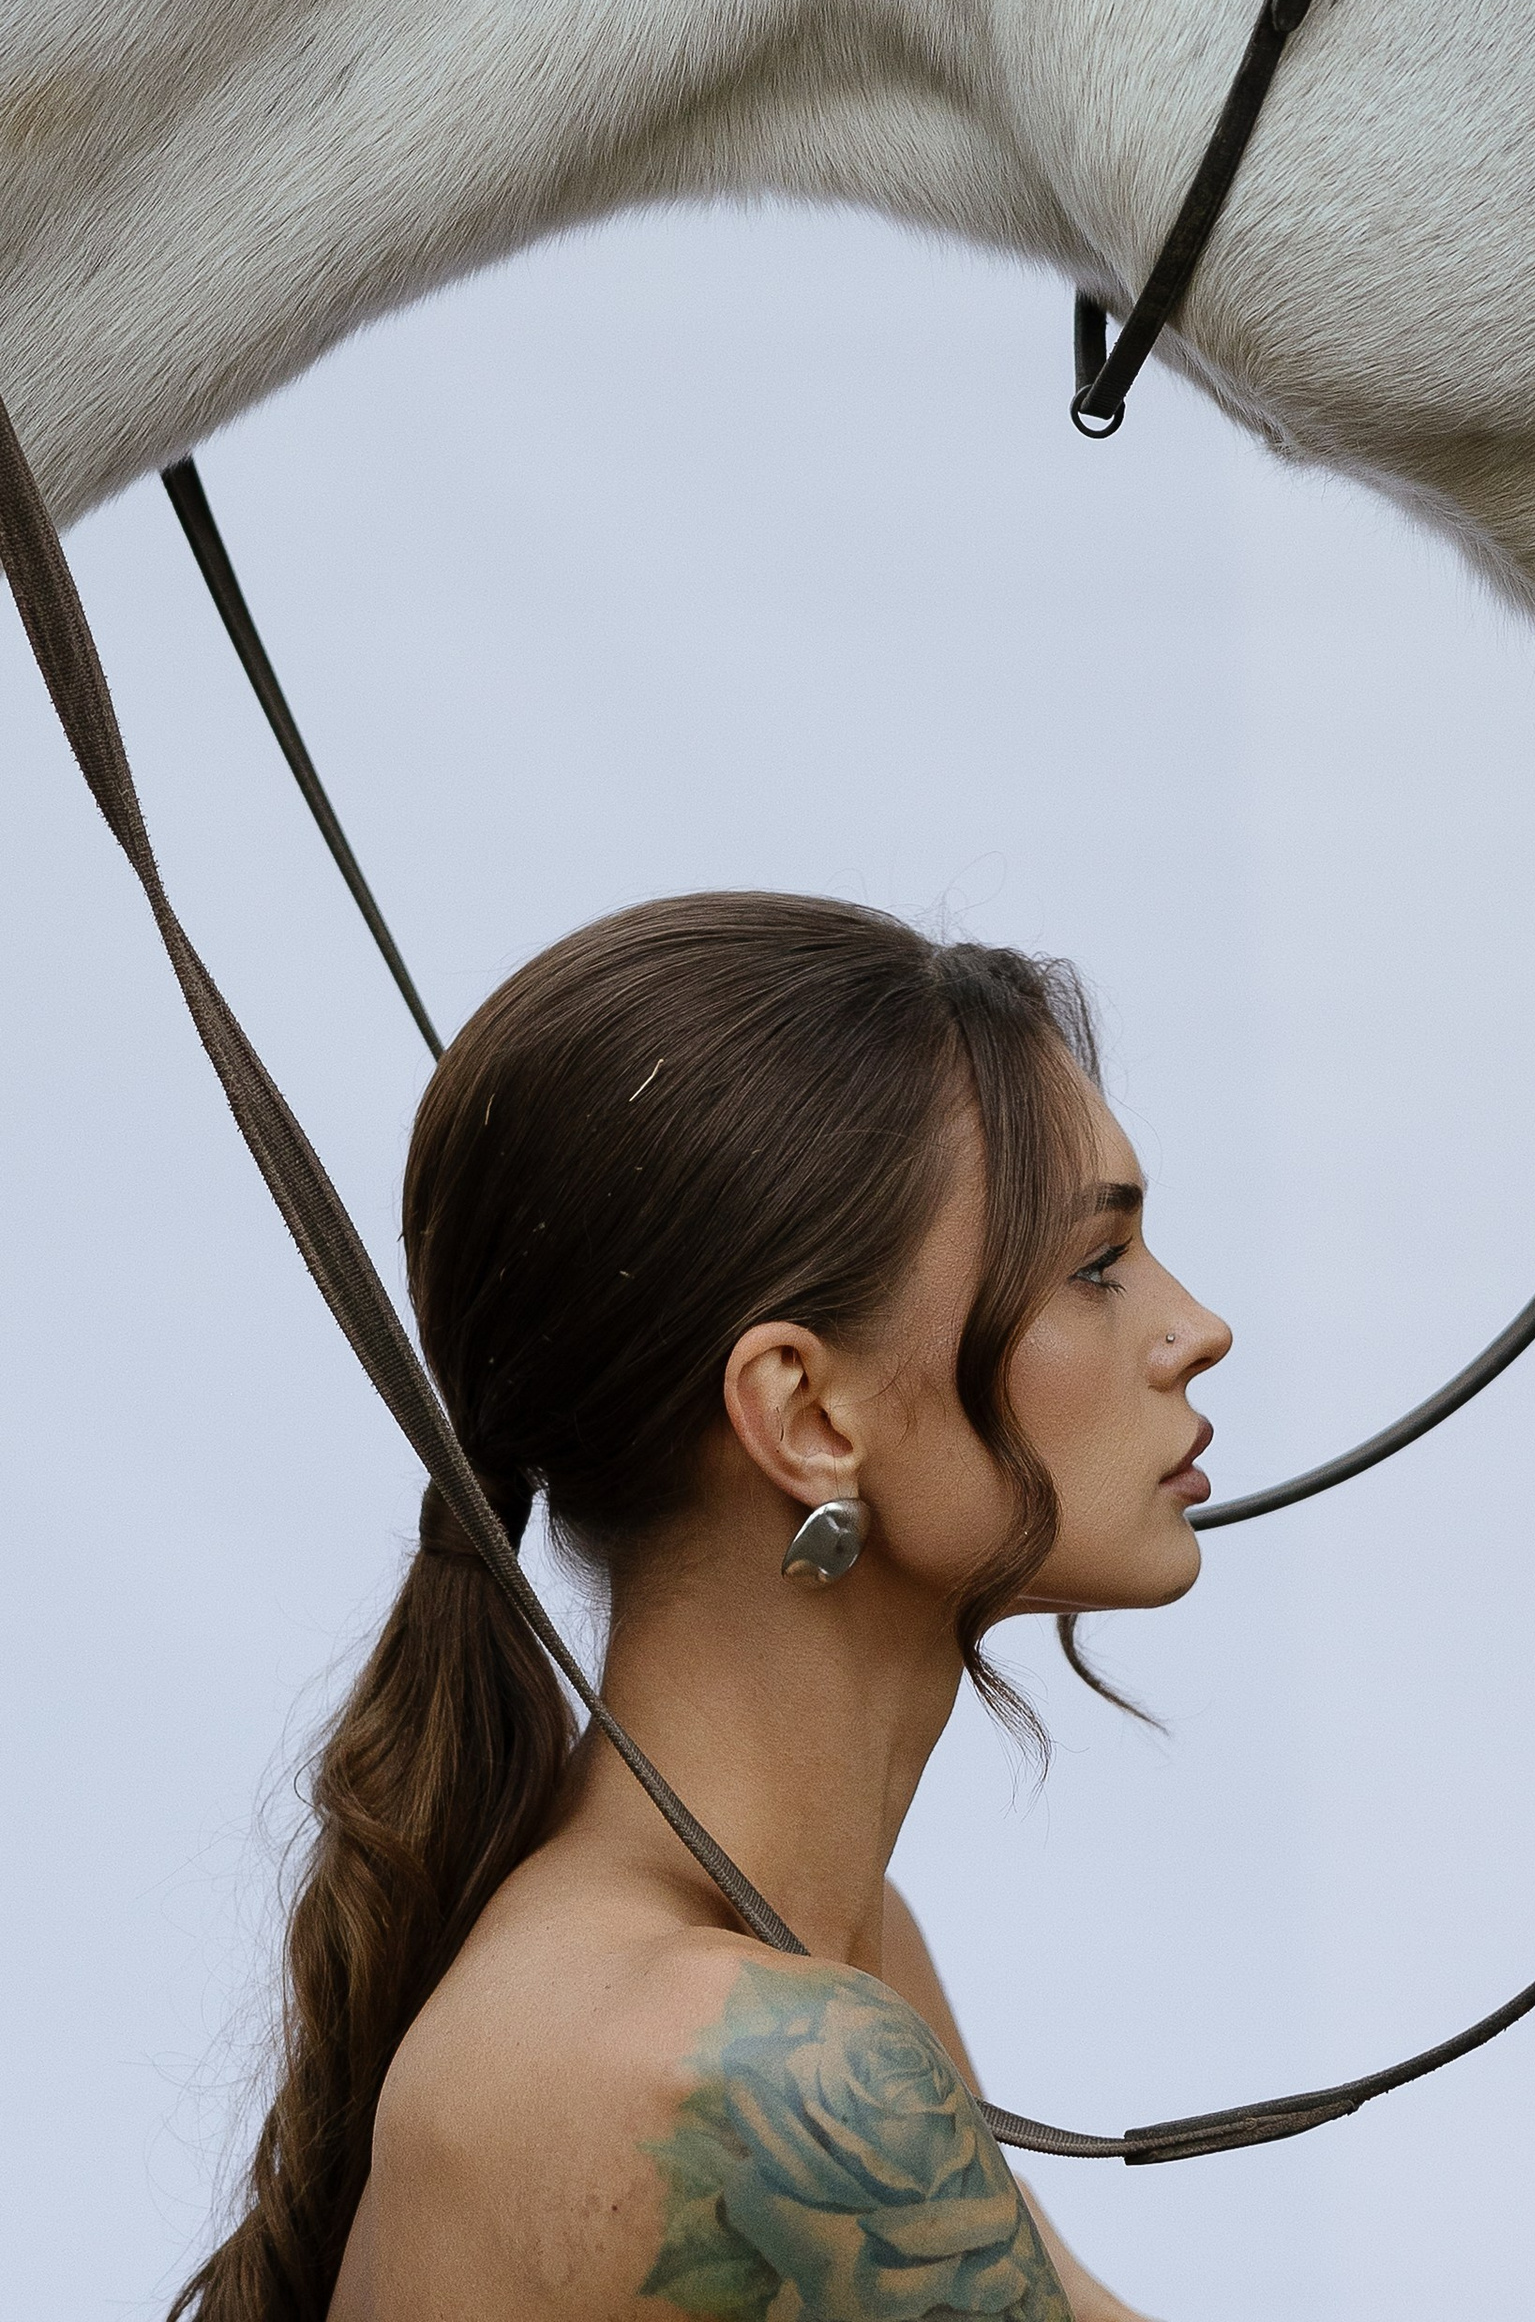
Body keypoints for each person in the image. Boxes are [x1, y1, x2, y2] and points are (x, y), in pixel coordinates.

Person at [175, 892, 1231, 2322]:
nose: (1195, 1329)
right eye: (1094, 1267)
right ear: (804, 1414)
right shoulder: (753, 2069)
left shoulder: (820, 1958)